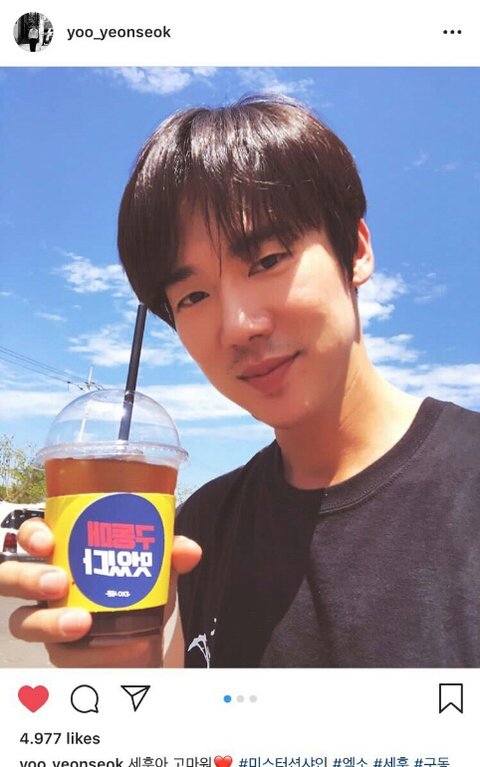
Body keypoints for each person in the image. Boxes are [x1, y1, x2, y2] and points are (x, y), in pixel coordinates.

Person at [2, 95, 480, 667]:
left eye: (268, 260)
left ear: (355, 250)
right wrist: (127, 679)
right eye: (193, 296)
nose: (237, 327)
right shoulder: (203, 526)